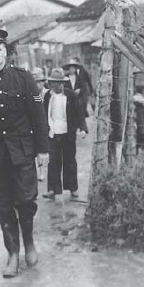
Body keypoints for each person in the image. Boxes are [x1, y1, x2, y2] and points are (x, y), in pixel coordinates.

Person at [0, 28, 49, 278]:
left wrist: (43, 150)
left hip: (23, 152)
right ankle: (12, 254)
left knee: (25, 202)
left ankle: (30, 242)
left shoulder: (24, 79)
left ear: (6, 52)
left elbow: (38, 116)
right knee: (3, 207)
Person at [42, 68, 83, 200]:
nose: (59, 85)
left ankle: (73, 188)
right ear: (51, 83)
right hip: (53, 133)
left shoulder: (71, 95)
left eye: (61, 83)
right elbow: (43, 114)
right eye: (56, 82)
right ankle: (52, 189)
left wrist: (82, 128)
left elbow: (79, 113)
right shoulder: (48, 96)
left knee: (70, 161)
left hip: (67, 133)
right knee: (53, 161)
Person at [31, 67, 49, 182]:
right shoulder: (30, 95)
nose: (38, 85)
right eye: (36, 82)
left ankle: (42, 171)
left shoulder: (47, 94)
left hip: (46, 125)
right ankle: (36, 172)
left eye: (40, 82)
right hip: (34, 125)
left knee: (43, 149)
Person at [62, 58, 89, 135]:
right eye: (70, 68)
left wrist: (79, 90)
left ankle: (80, 127)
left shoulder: (79, 77)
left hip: (77, 98)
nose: (72, 70)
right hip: (68, 98)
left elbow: (83, 86)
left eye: (73, 68)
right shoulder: (65, 78)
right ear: (68, 69)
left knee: (79, 111)